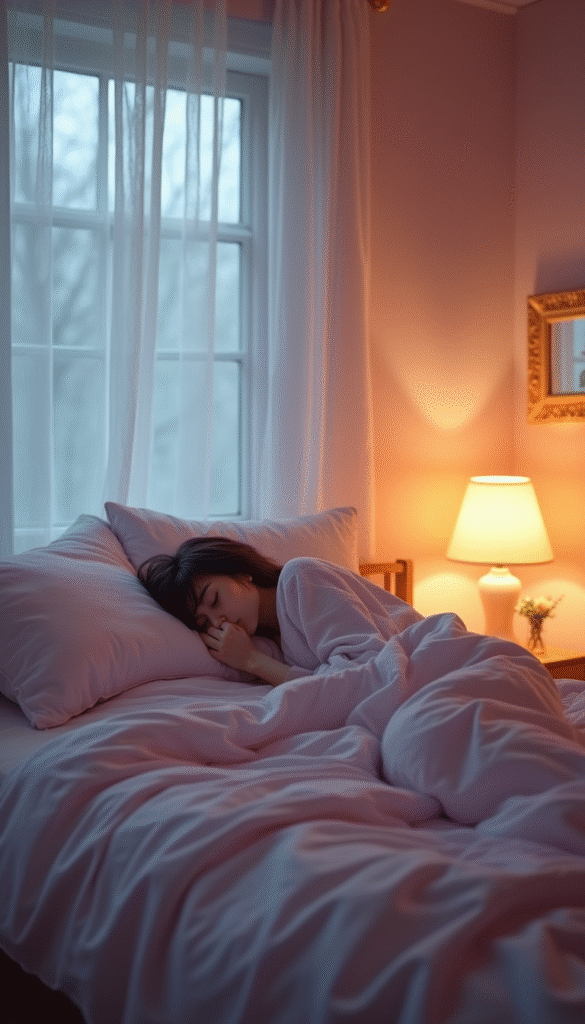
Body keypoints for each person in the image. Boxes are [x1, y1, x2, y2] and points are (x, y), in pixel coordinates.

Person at [138, 536, 421, 688]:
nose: (218, 621)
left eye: (214, 600)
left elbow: (366, 673)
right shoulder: (267, 640)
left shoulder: (300, 577)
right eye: (204, 623)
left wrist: (252, 660)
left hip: (419, 661)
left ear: (241, 572)